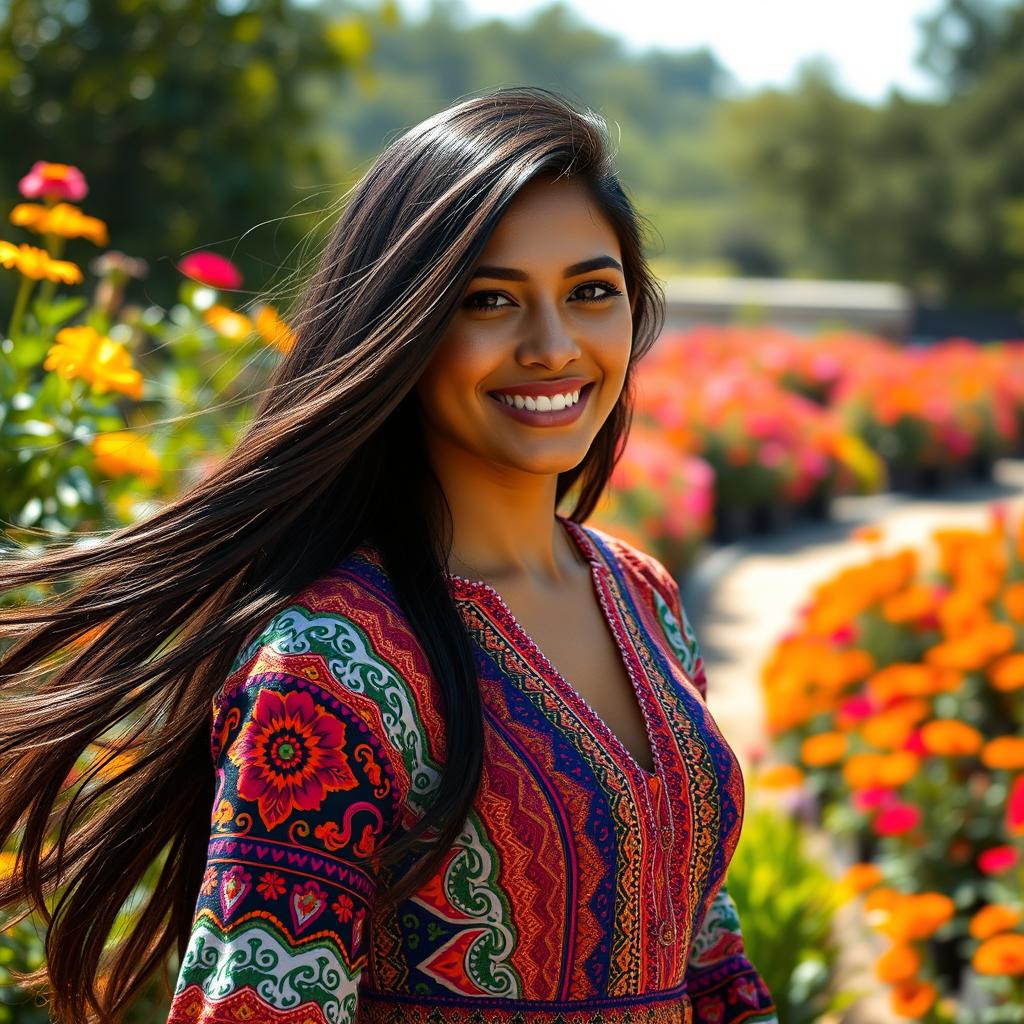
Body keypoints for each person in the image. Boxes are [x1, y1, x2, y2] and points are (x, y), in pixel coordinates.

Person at [0, 87, 777, 1024]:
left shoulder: (641, 593)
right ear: (404, 323)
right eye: (490, 300)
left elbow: (703, 939)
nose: (554, 345)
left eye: (591, 292)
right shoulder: (335, 665)